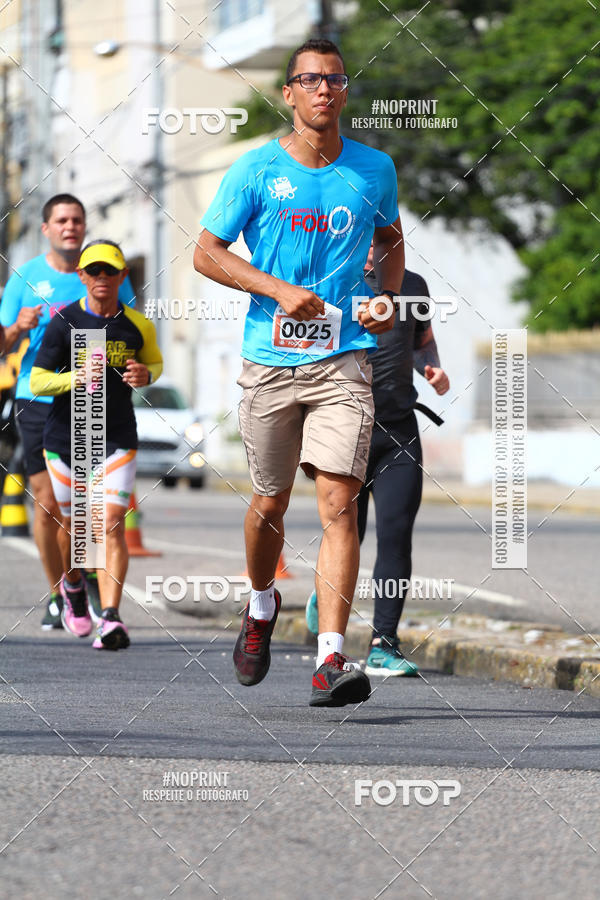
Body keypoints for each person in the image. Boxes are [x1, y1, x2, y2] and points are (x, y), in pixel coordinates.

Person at [194, 38, 405, 706]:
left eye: (335, 80)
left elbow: (392, 242)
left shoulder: (375, 169)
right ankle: (261, 606)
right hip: (270, 364)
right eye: (310, 80)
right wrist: (277, 289)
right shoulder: (255, 170)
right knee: (268, 504)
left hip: (344, 361)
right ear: (288, 94)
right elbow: (205, 254)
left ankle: (331, 658)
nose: (324, 90)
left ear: (346, 92)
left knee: (342, 505)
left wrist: (383, 298)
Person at [306, 244, 450, 676]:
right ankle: (326, 594)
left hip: (399, 429)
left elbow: (423, 341)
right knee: (349, 533)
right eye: (366, 233)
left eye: (382, 234)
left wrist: (432, 369)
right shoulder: (328, 279)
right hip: (345, 427)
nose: (374, 246)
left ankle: (383, 644)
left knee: (395, 534)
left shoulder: (413, 285)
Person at [0, 194, 136, 628]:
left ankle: (85, 577)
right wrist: (17, 327)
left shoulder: (103, 272)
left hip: (95, 402)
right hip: (37, 399)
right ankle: (61, 590)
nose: (70, 227)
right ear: (46, 228)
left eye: (77, 219)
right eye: (61, 220)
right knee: (47, 505)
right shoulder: (26, 277)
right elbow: (2, 342)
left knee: (91, 506)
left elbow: (133, 330)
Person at [30, 240, 162, 649]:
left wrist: (146, 374)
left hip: (116, 435)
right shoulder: (62, 323)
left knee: (110, 524)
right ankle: (71, 585)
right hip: (67, 437)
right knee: (74, 526)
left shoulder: (139, 325)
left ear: (122, 276)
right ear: (82, 277)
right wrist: (75, 378)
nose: (102, 278)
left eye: (111, 271)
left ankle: (111, 617)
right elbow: (37, 381)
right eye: (94, 271)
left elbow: (154, 362)